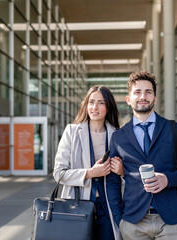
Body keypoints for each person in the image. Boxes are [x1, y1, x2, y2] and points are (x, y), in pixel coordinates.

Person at [106, 71, 177, 240]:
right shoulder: (118, 137)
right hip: (133, 222)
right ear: (129, 99)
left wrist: (167, 179)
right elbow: (112, 182)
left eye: (148, 92)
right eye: (137, 92)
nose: (143, 96)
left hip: (171, 221)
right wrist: (119, 218)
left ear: (155, 98)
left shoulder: (174, 129)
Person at [53, 85, 123, 240]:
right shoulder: (72, 132)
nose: (95, 107)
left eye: (101, 103)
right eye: (91, 102)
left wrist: (122, 171)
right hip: (78, 205)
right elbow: (58, 173)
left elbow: (128, 175)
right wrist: (90, 173)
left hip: (109, 208)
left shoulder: (118, 135)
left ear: (108, 106)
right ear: (85, 105)